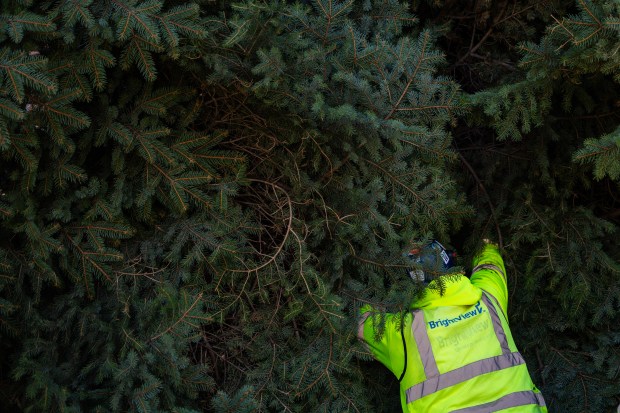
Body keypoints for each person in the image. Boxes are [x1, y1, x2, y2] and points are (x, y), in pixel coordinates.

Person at [358, 240, 547, 412]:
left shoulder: (403, 332)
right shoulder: (489, 301)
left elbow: (358, 317)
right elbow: (490, 268)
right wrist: (487, 244)